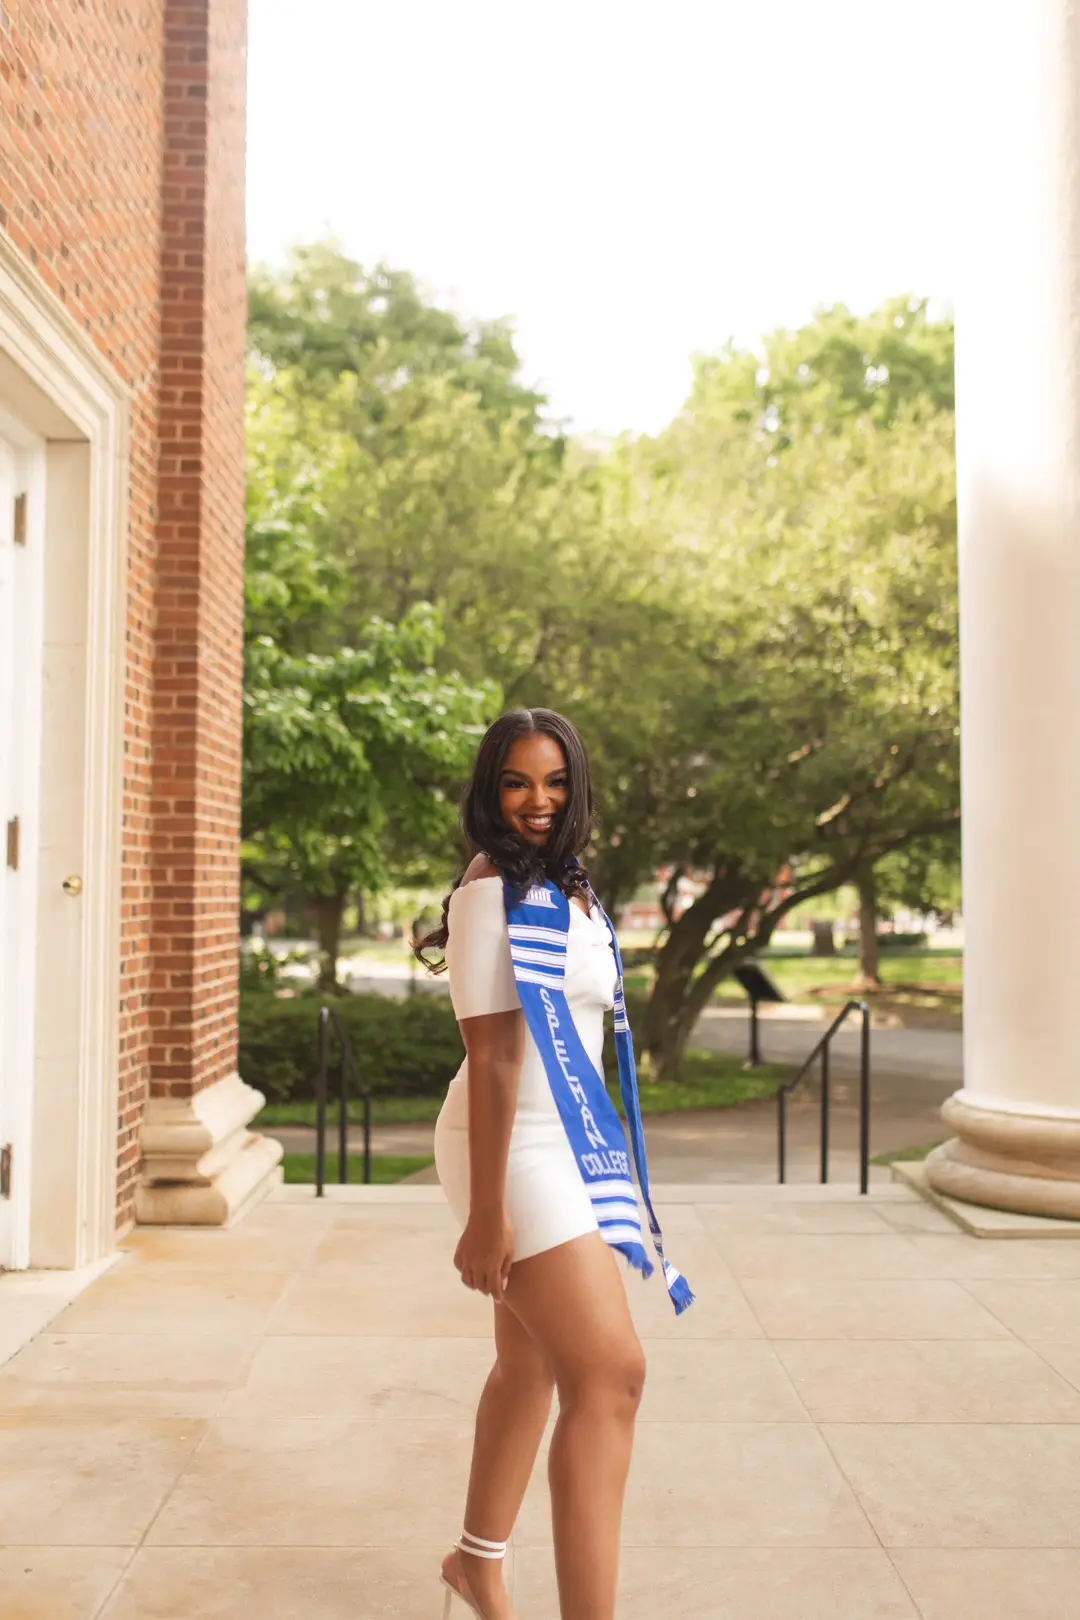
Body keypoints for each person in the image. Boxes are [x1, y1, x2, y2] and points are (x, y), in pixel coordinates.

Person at [416, 707, 691, 1620]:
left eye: (556, 781)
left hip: (566, 1143)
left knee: (530, 1368)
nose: (539, 800)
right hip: (510, 1149)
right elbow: (493, 1057)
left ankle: (476, 1562)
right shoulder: (488, 891)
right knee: (612, 1374)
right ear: (490, 792)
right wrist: (485, 1215)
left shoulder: (568, 886)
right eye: (517, 782)